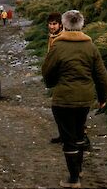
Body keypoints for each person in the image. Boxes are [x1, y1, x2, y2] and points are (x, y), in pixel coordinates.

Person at [42, 10, 107, 188]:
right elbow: (101, 75)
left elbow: (47, 71)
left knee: (68, 137)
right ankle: (78, 170)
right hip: (85, 99)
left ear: (64, 24)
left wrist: (52, 83)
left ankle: (73, 179)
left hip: (63, 99)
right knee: (79, 132)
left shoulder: (57, 46)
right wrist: (102, 97)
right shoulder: (91, 46)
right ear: (81, 24)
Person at [47, 12, 63, 144]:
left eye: (55, 24)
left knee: (65, 107)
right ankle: (63, 133)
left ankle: (82, 138)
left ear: (61, 24)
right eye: (50, 24)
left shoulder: (61, 38)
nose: (52, 26)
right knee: (58, 107)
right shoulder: (52, 37)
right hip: (57, 77)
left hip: (64, 76)